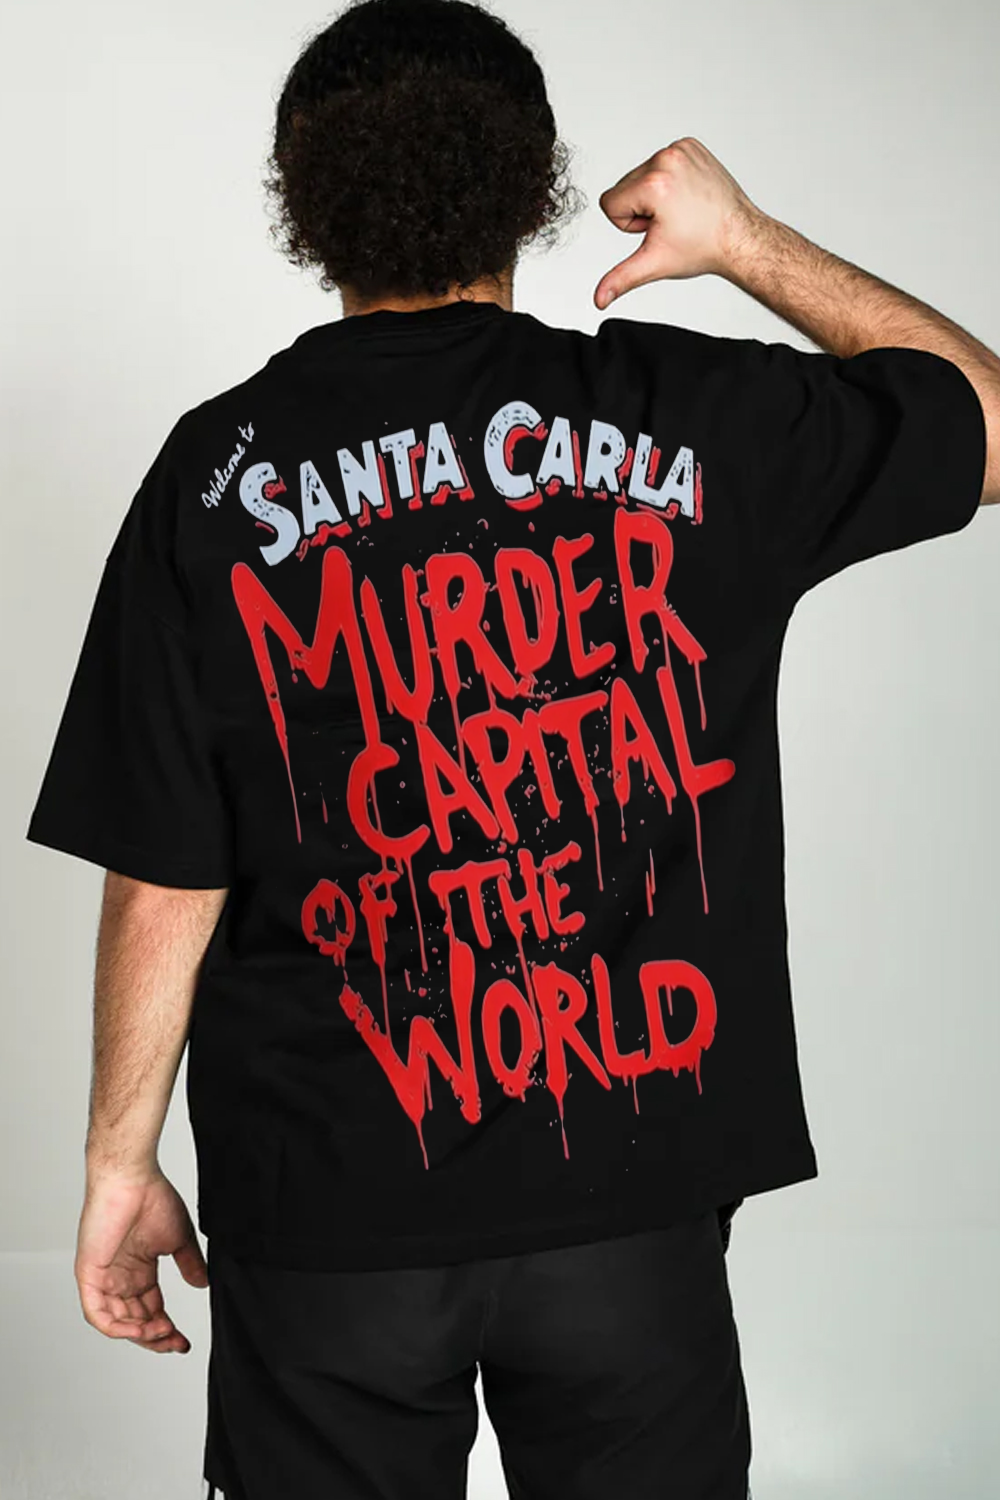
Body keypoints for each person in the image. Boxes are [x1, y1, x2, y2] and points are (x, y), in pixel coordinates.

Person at [24, 1, 996, 1496]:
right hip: (631, 1206)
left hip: (331, 1210)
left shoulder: (219, 477)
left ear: (302, 195)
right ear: (535, 184)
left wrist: (116, 1160)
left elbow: (169, 861)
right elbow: (989, 428)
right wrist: (747, 242)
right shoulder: (695, 421)